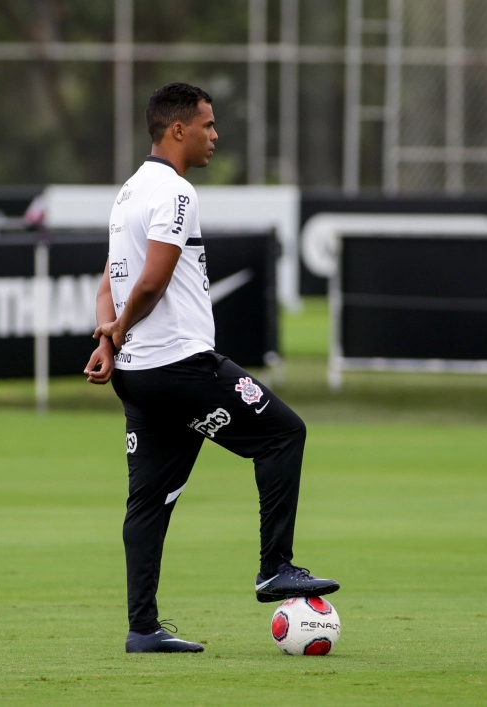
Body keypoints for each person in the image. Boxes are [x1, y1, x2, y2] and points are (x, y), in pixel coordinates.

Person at [83, 82, 338, 654]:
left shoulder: (127, 193)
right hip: (180, 365)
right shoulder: (175, 193)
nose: (215, 135)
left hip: (139, 375)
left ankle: (142, 628)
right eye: (208, 124)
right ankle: (276, 566)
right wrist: (119, 331)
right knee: (282, 434)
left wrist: (108, 339)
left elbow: (108, 282)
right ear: (178, 129)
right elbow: (149, 280)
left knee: (149, 501)